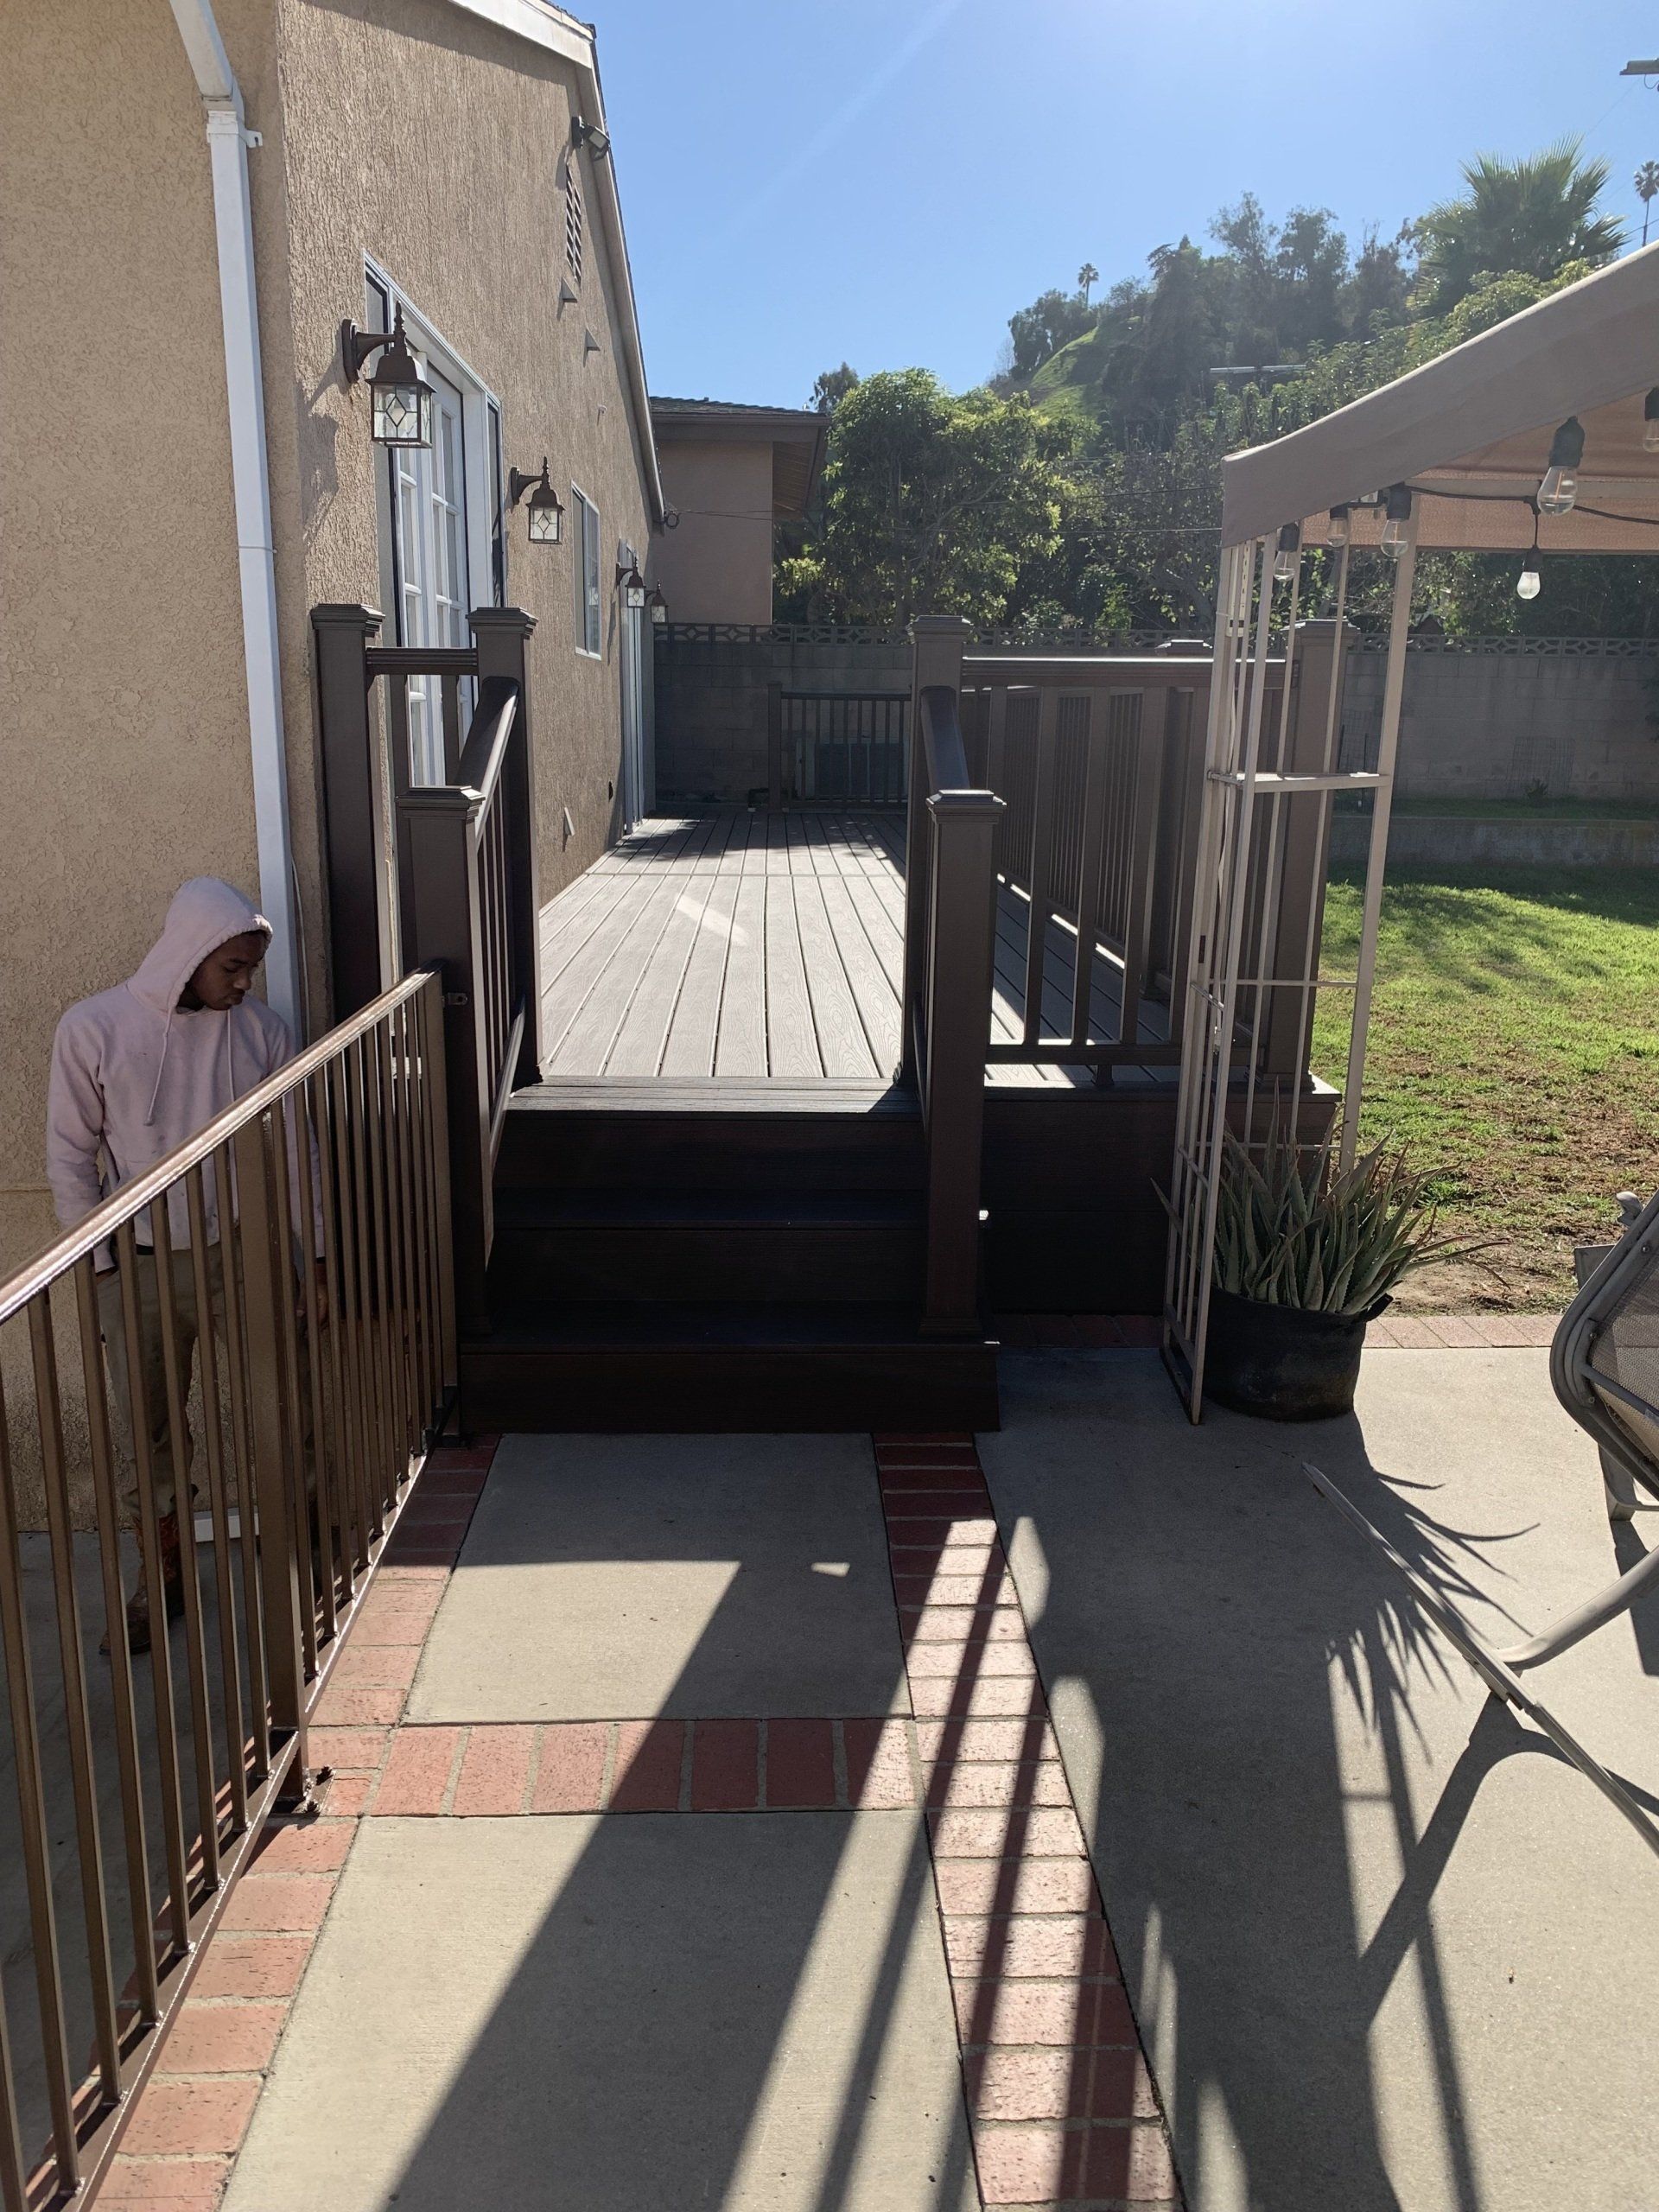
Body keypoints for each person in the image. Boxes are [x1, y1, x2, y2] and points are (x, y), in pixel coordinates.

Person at [47, 878, 310, 1651]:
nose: (243, 982)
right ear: (188, 955)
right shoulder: (93, 1028)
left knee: (283, 1406)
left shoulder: (261, 1033)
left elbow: (297, 1152)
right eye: (231, 966)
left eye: (250, 968)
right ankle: (159, 1580)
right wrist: (96, 1264)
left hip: (237, 1253)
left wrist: (316, 1256)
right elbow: (69, 1156)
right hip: (137, 1266)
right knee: (151, 1434)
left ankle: (300, 1570)